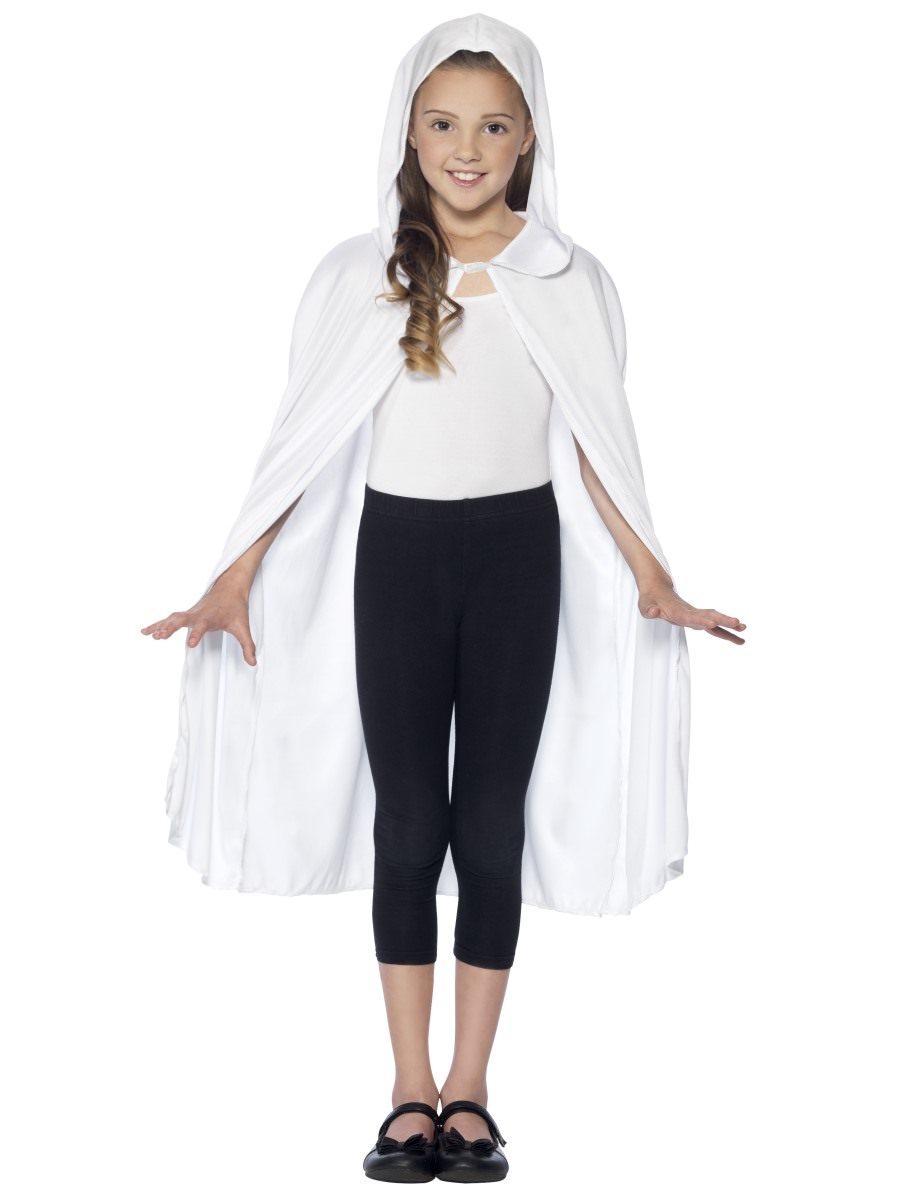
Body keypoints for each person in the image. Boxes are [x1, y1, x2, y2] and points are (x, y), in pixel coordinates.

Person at [142, 13, 746, 1184]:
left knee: (491, 823)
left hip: (517, 560)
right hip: (399, 560)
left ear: (529, 139)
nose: (467, 149)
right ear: (408, 132)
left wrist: (655, 577)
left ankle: (471, 1089)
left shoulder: (568, 278)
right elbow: (305, 439)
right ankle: (406, 1089)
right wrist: (235, 571)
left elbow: (598, 446)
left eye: (493, 127)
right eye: (443, 124)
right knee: (411, 822)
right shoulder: (357, 274)